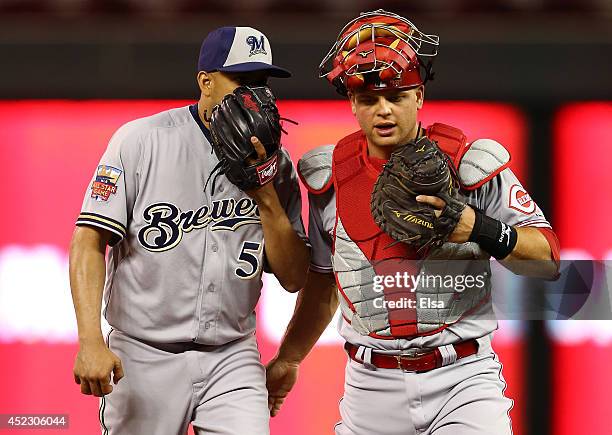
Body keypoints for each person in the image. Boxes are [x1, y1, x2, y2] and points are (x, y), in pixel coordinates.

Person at [266, 10, 560, 435]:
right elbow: (325, 280)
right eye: (369, 99)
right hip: (370, 385)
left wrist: (479, 227)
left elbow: (547, 259)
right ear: (352, 103)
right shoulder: (330, 177)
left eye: (397, 96)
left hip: (462, 378)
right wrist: (290, 357)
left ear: (419, 97)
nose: (383, 110)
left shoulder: (468, 165)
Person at [69, 25, 309, 435]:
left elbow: (293, 277)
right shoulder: (142, 141)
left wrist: (265, 192)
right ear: (205, 81)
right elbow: (89, 241)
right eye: (242, 81)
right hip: (144, 355)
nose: (255, 96)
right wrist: (90, 339)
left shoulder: (276, 164)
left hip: (232, 356)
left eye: (261, 83)